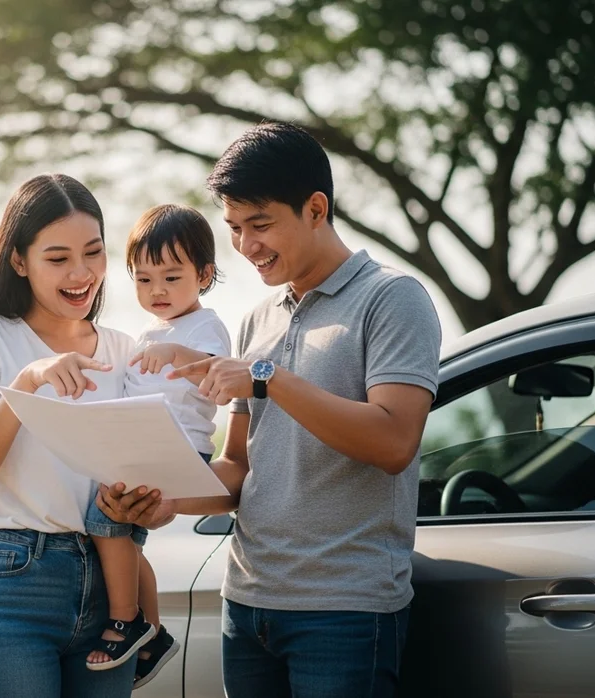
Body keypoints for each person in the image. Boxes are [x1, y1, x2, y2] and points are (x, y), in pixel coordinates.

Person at [97, 122, 443, 698]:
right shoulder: (258, 319)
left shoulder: (392, 298)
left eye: (260, 224)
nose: (246, 245)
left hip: (344, 609)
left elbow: (393, 443)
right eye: (234, 228)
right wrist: (164, 504)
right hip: (248, 602)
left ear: (315, 208)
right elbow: (237, 467)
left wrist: (266, 379)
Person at [0, 173, 138, 698]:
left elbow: (146, 478)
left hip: (109, 587)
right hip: (10, 584)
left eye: (94, 253)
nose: (81, 273)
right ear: (19, 261)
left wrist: (146, 505)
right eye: (58, 258)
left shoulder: (126, 350)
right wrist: (27, 384)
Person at [81, 205, 232, 688]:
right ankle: (154, 628)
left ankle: (127, 621)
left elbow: (219, 374)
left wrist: (180, 354)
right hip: (147, 448)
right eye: (144, 280)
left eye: (171, 277)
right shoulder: (147, 334)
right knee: (121, 533)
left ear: (204, 275)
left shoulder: (204, 326)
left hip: (179, 451)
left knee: (106, 520)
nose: (158, 291)